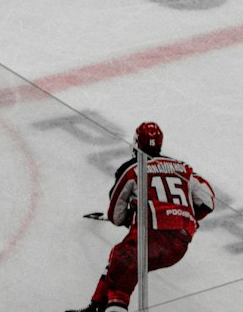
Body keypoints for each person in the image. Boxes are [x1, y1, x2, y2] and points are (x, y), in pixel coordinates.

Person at [67, 122, 215, 312]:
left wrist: (131, 217)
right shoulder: (183, 168)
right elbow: (207, 202)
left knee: (122, 268)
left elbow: (115, 215)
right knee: (120, 257)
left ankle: (108, 307)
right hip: (179, 244)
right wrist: (180, 215)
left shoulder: (132, 169)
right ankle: (96, 306)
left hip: (150, 237)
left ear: (137, 143)